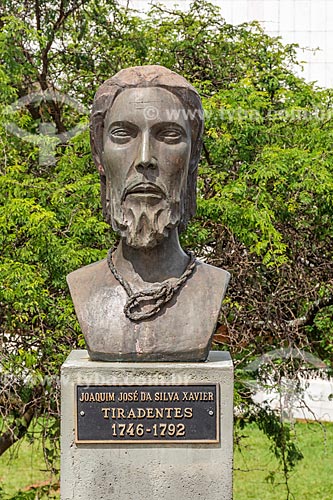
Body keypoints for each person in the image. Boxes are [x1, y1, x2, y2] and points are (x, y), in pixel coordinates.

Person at [67, 65, 230, 361]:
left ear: (193, 155)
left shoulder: (212, 288)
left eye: (168, 135)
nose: (145, 159)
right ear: (99, 156)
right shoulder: (82, 288)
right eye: (123, 135)